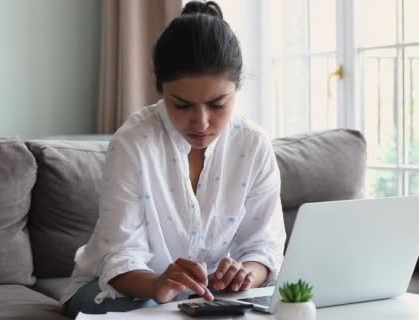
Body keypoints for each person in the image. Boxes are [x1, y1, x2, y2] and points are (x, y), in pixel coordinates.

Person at [61, 1, 286, 317]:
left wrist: (246, 273)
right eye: (181, 105)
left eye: (218, 104)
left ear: (237, 89)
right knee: (154, 308)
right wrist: (157, 285)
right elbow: (121, 255)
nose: (201, 123)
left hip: (213, 296)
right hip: (119, 290)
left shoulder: (253, 144)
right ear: (160, 90)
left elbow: (265, 247)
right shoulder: (133, 143)